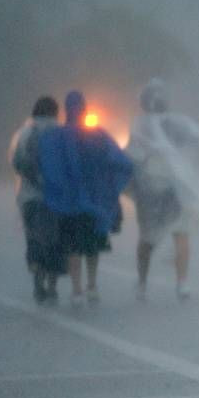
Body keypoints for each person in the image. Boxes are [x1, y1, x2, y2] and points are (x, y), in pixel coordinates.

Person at [125, 79, 199, 301]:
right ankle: (182, 284)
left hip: (151, 189)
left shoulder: (140, 126)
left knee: (147, 237)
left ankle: (142, 283)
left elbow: (132, 155)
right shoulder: (180, 123)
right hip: (178, 187)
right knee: (181, 232)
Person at [39, 90, 133, 307]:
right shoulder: (96, 135)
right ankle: (92, 286)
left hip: (69, 204)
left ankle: (76, 290)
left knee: (73, 247)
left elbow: (49, 166)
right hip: (94, 202)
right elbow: (117, 160)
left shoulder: (57, 137)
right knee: (92, 247)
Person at [8, 96, 67, 304]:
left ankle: (37, 283)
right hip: (55, 198)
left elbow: (15, 162)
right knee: (55, 242)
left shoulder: (24, 133)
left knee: (34, 240)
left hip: (29, 197)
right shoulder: (59, 133)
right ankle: (52, 287)